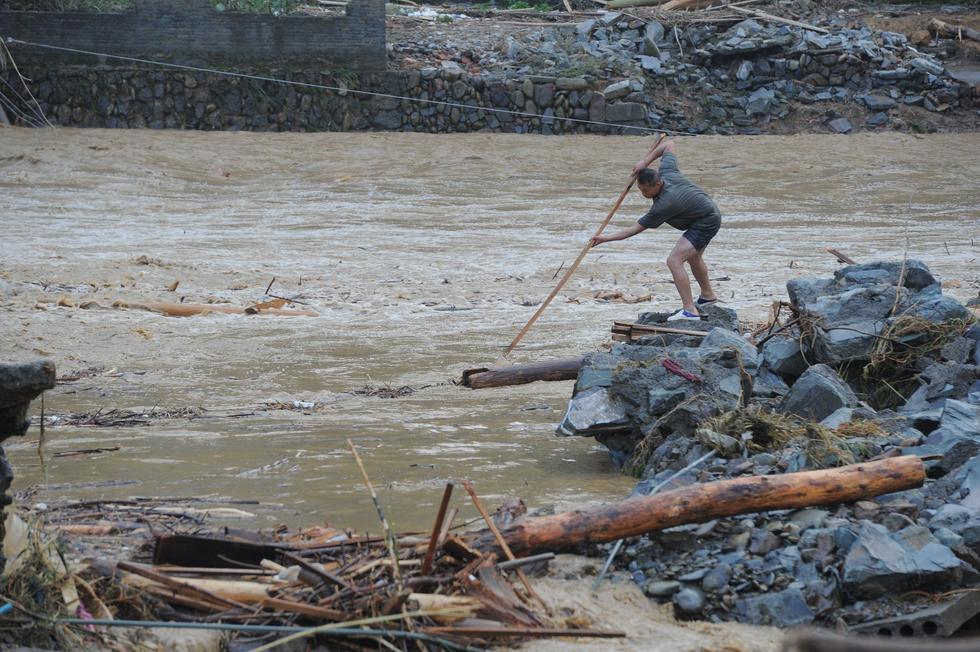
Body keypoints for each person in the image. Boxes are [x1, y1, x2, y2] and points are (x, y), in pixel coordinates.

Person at [589, 138, 721, 321]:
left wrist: (606, 238)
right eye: (640, 190)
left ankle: (690, 311)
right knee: (694, 257)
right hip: (705, 212)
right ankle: (708, 296)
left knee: (674, 260)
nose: (643, 195)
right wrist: (645, 162)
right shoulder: (667, 171)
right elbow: (669, 144)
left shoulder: (665, 204)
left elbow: (635, 229)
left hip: (705, 221)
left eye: (646, 191)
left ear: (657, 184)